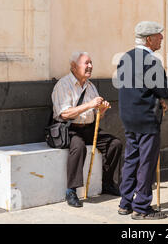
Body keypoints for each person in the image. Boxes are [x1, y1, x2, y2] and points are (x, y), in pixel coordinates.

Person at [116, 21, 168, 220]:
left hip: (129, 117)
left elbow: (137, 87)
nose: (162, 38)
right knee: (146, 162)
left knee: (131, 160)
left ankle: (125, 203)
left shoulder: (125, 57)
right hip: (146, 118)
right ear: (149, 39)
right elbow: (163, 89)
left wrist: (158, 98)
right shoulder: (151, 60)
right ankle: (142, 207)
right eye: (159, 35)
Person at [52, 52, 123, 208]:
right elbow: (64, 113)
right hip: (69, 129)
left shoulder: (90, 86)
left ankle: (107, 182)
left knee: (115, 143)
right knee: (78, 147)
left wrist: (101, 110)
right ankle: (71, 190)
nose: (90, 66)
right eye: (86, 63)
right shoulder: (63, 85)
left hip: (89, 128)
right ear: (73, 66)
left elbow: (96, 114)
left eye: (91, 63)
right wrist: (90, 104)